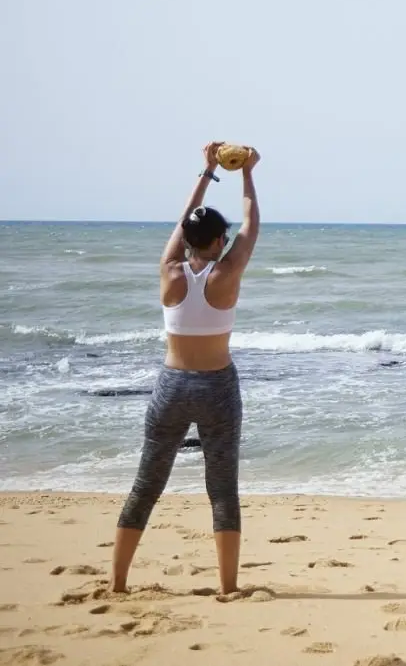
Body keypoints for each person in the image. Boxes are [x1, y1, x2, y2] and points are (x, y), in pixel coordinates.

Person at [112, 141, 261, 597]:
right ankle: (228, 587)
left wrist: (207, 170)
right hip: (217, 387)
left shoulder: (169, 271)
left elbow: (185, 220)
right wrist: (248, 173)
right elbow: (252, 225)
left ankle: (117, 583)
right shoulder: (227, 272)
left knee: (146, 484)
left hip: (171, 386)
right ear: (219, 242)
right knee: (222, 488)